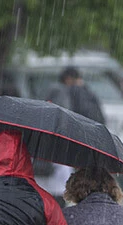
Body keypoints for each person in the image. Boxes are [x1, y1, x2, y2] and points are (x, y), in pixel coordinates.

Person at [38, 67, 107, 206]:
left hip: (60, 151)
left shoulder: (60, 92)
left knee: (54, 193)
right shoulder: (86, 93)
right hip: (81, 148)